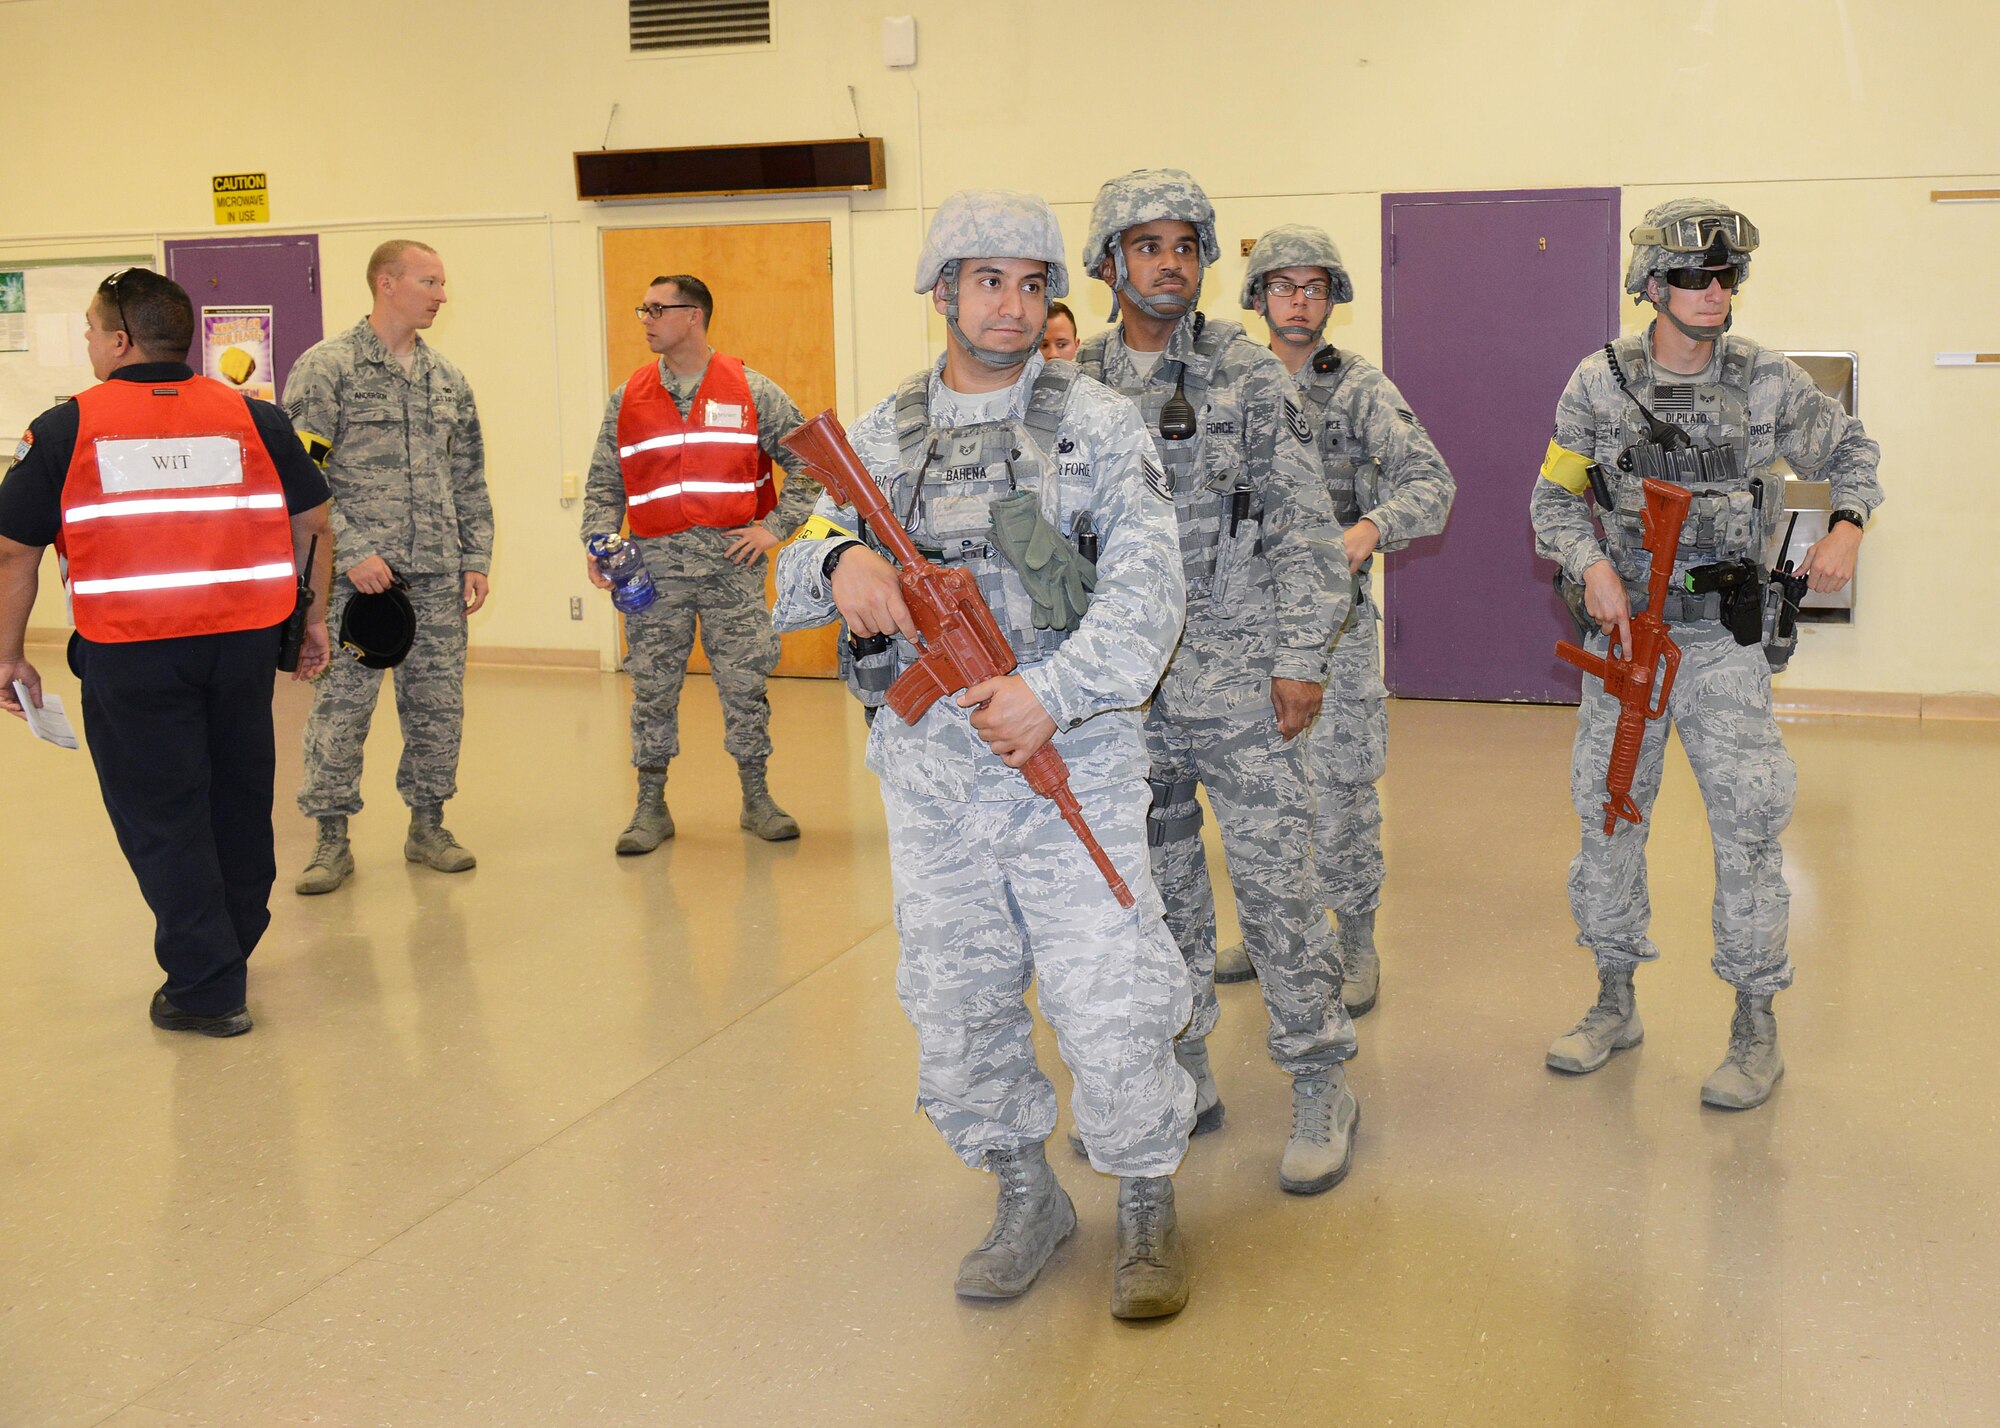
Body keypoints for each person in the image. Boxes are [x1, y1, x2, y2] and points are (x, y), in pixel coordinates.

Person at [772, 189, 1197, 1319]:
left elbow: (1150, 597)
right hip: (934, 778)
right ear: (941, 291)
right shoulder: (880, 434)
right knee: (956, 999)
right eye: (986, 281)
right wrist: (834, 570)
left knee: (1108, 996)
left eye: (1029, 282)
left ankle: (1146, 1201)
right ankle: (1024, 1194)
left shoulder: (1097, 422)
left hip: (1073, 759)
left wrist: (1048, 696)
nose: (1011, 306)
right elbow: (791, 555)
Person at [1531, 199, 1883, 1109]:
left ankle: (1754, 1023)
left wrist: (1847, 525)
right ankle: (1613, 1000)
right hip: (1627, 641)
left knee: (1749, 825)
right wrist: (1591, 566)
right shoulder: (1598, 384)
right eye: (1694, 277)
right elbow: (1554, 499)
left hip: (1724, 643)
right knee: (1610, 813)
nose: (1715, 291)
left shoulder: (1767, 380)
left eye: (1727, 277)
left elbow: (1850, 447)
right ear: (1652, 286)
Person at [1074, 170, 1358, 1194]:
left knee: (1277, 889)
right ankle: (1184, 1065)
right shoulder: (1077, 385)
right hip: (1124, 698)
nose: (1168, 262)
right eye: (1145, 245)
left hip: (1242, 688)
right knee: (1158, 900)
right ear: (1107, 263)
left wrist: (1297, 658)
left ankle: (1321, 1076)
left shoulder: (1246, 376)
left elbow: (1303, 534)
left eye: (1184, 246)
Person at [0, 269, 331, 1036]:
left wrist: (8, 655)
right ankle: (229, 944)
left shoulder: (66, 427)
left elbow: (14, 554)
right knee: (240, 799)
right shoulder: (251, 417)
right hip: (242, 645)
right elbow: (313, 521)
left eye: (90, 330)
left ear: (120, 340)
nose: (88, 342)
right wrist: (312, 620)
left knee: (163, 813)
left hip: (133, 654)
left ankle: (207, 985)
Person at [1214, 225, 1456, 1015]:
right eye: (1283, 287)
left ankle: (1355, 939)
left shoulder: (1357, 388)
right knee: (1255, 792)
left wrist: (1368, 530)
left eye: (1314, 288)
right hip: (1239, 629)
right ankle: (1266, 930)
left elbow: (1431, 482)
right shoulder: (1225, 383)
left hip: (1334, 634)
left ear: (1331, 301)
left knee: (1342, 791)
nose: (1299, 301)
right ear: (1257, 298)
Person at [580, 274, 819, 849]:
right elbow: (603, 481)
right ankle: (650, 806)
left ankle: (756, 799)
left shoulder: (752, 390)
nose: (646, 319)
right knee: (652, 685)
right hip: (652, 570)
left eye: (658, 309)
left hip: (730, 569)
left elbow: (812, 463)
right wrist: (597, 541)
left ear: (694, 316)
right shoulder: (628, 396)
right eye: (644, 308)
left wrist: (774, 529)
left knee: (744, 683)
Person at [286, 240, 493, 894]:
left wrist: (475, 557)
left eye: (441, 282)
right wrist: (353, 549)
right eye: (430, 281)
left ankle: (428, 824)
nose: (440, 294)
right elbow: (301, 478)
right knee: (341, 712)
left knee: (437, 707)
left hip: (435, 578)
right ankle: (330, 838)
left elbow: (469, 477)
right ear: (387, 283)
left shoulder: (447, 380)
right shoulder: (327, 370)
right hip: (353, 584)